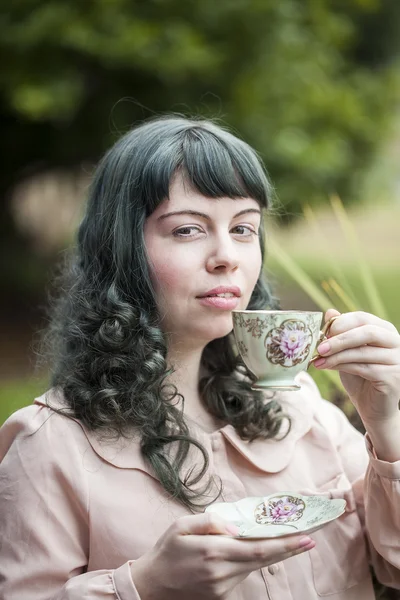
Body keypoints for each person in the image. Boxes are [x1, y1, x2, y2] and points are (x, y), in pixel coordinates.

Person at [1, 116, 400, 600]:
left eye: (244, 228)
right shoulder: (50, 446)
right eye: (188, 230)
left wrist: (386, 428)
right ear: (123, 250)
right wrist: (144, 586)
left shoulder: (305, 409)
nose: (226, 256)